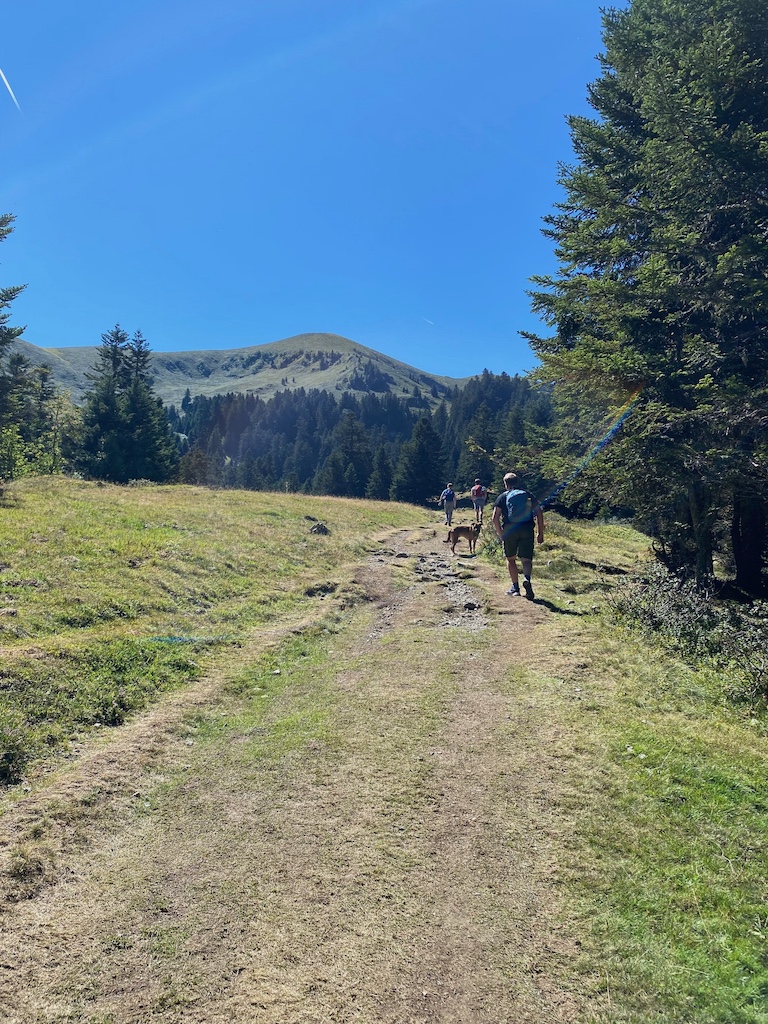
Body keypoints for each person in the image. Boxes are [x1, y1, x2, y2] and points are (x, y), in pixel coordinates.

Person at [492, 472, 544, 599]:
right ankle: (527, 579)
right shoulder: (527, 495)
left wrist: (501, 533)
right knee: (526, 559)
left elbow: (495, 518)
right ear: (517, 482)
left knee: (511, 559)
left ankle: (515, 587)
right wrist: (540, 532)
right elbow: (539, 513)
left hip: (510, 530)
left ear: (506, 484)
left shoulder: (503, 496)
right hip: (527, 528)